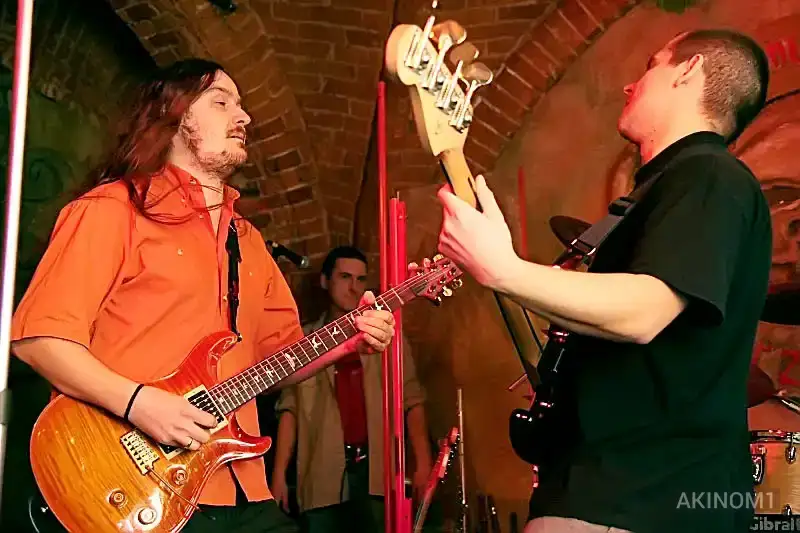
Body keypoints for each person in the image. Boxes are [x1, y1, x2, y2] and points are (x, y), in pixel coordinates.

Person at [9, 59, 396, 533]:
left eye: (241, 105)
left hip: (243, 484)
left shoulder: (248, 241)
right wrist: (139, 404)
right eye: (221, 102)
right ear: (174, 115)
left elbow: (278, 361)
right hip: (135, 484)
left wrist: (347, 341)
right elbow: (39, 339)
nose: (243, 116)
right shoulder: (111, 209)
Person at [436, 30, 771, 533]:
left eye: (652, 64)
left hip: (639, 501)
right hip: (613, 495)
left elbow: (645, 312)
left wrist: (505, 269)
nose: (629, 85)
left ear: (689, 70)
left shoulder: (709, 176)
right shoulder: (671, 187)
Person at [271, 246, 432, 533]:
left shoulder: (386, 336)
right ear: (325, 281)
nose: (354, 287)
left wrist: (422, 464)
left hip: (377, 473)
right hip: (321, 475)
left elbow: (412, 400)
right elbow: (289, 410)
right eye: (345, 277)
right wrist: (279, 475)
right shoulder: (303, 340)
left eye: (361, 279)